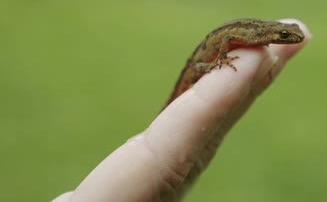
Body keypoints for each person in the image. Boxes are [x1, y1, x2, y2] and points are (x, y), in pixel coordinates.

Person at [53, 20, 311, 202]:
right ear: (274, 34)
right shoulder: (255, 36)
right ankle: (204, 68)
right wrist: (220, 59)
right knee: (198, 76)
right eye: (285, 36)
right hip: (201, 59)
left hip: (207, 56)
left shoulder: (262, 37)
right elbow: (227, 38)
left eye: (287, 36)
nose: (289, 39)